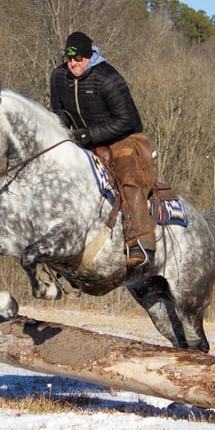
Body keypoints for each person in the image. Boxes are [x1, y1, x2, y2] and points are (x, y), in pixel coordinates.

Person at [50, 31, 156, 269]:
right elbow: (58, 111)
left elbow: (126, 121)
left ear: (89, 56)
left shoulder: (108, 79)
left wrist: (88, 135)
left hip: (124, 137)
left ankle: (140, 242)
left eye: (78, 59)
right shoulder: (58, 77)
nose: (73, 64)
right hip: (81, 137)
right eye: (69, 59)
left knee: (128, 179)